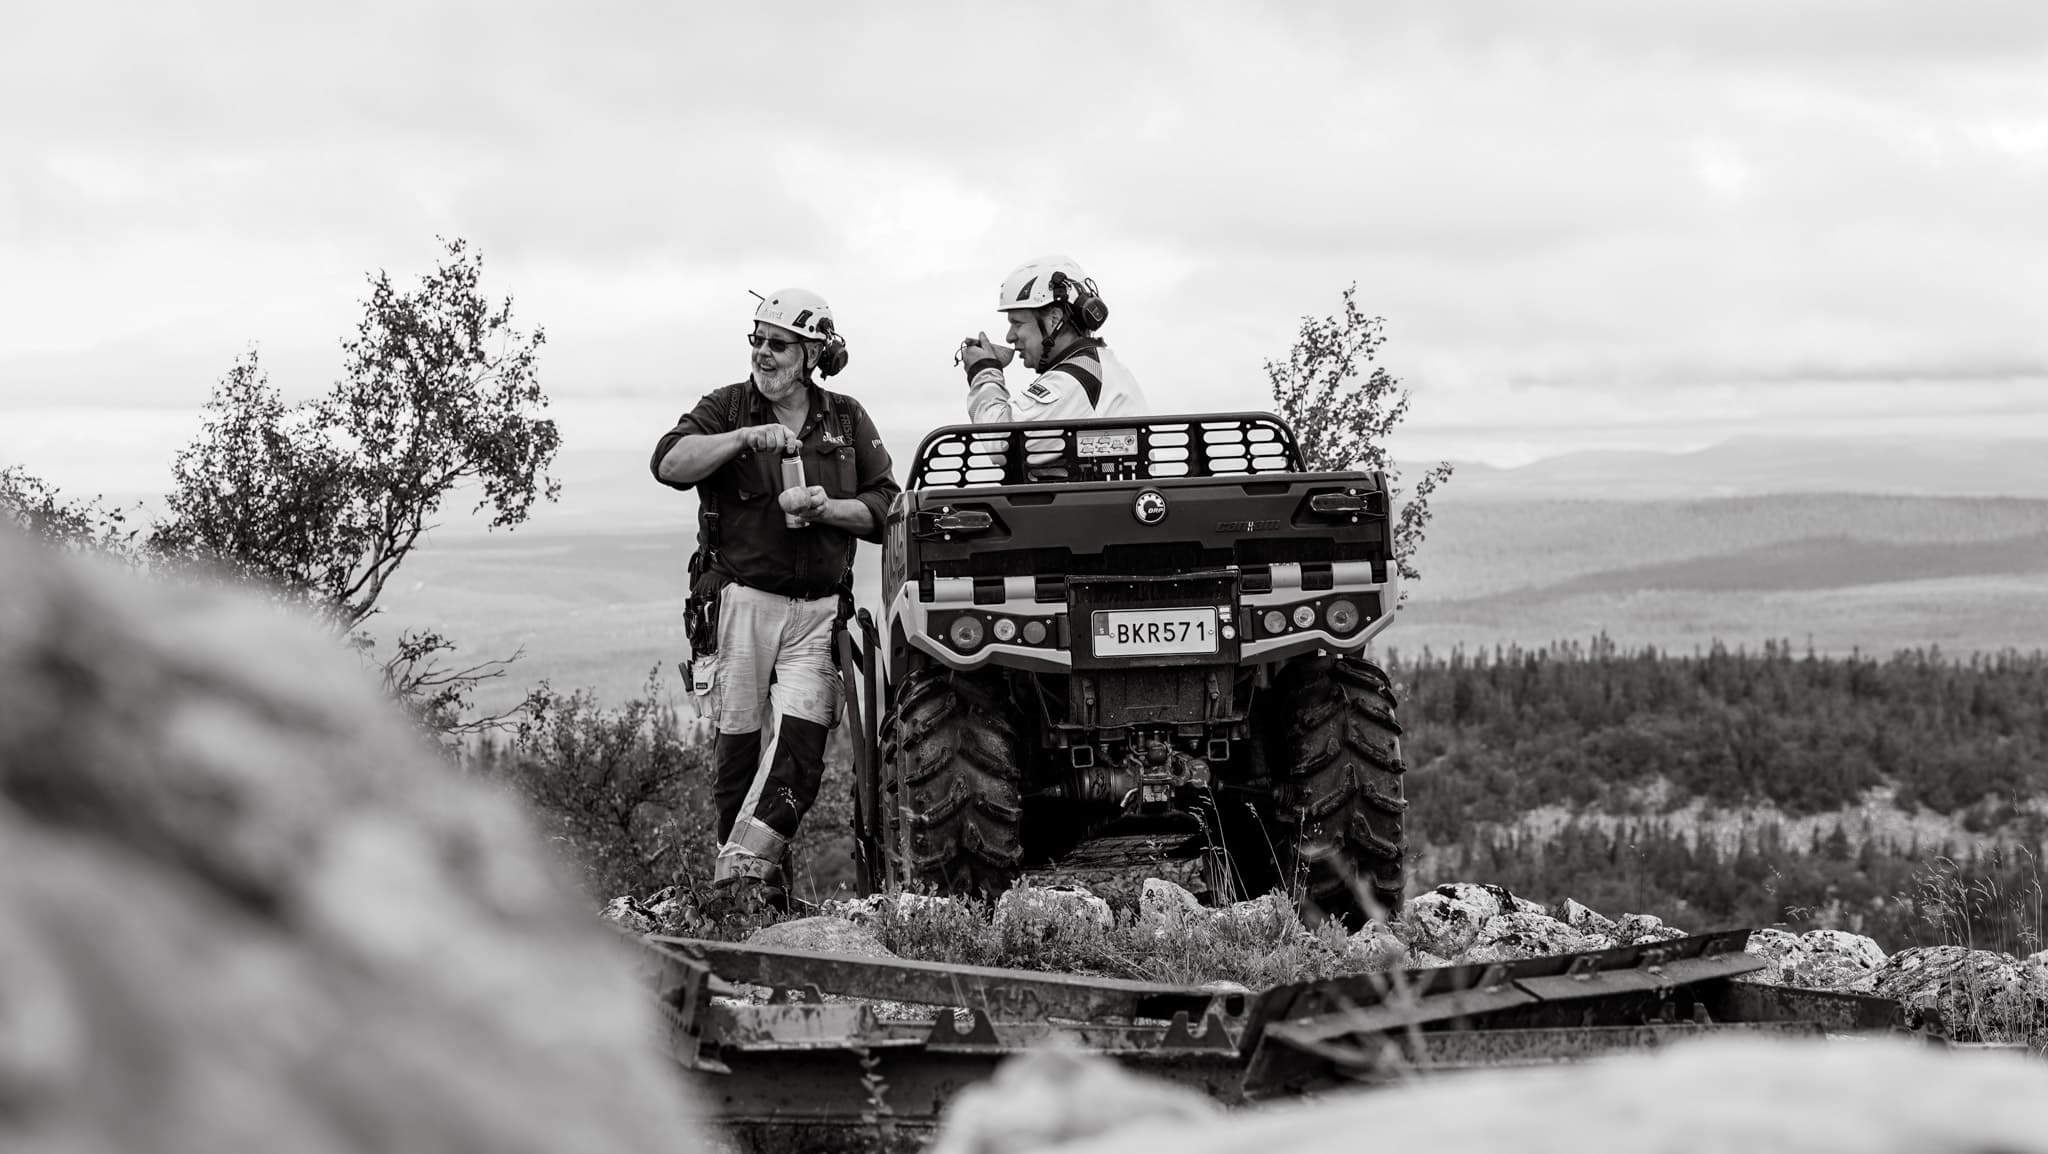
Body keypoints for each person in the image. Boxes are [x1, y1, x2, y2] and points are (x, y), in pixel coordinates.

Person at [650, 287, 900, 900]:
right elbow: (669, 463)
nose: (763, 353)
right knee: (737, 756)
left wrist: (828, 508)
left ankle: (735, 880)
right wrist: (742, 440)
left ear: (812, 353)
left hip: (819, 612)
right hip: (738, 603)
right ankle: (755, 895)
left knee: (800, 752)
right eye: (756, 339)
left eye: (778, 344)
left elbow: (887, 507)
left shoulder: (845, 418)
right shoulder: (728, 407)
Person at [957, 255, 1149, 423]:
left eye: (1017, 323)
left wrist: (984, 371)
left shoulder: (1074, 378)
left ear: (1054, 319)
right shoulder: (1095, 367)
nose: (1009, 337)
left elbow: (1001, 441)